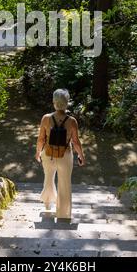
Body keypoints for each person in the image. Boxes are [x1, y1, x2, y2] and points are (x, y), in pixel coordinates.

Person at [35, 88, 85, 220]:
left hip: (48, 153)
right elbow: (75, 141)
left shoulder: (46, 118)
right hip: (65, 155)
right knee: (64, 183)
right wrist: (81, 155)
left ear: (54, 102)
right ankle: (63, 213)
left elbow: (41, 139)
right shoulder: (72, 121)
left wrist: (38, 152)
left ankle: (47, 203)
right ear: (67, 103)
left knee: (49, 177)